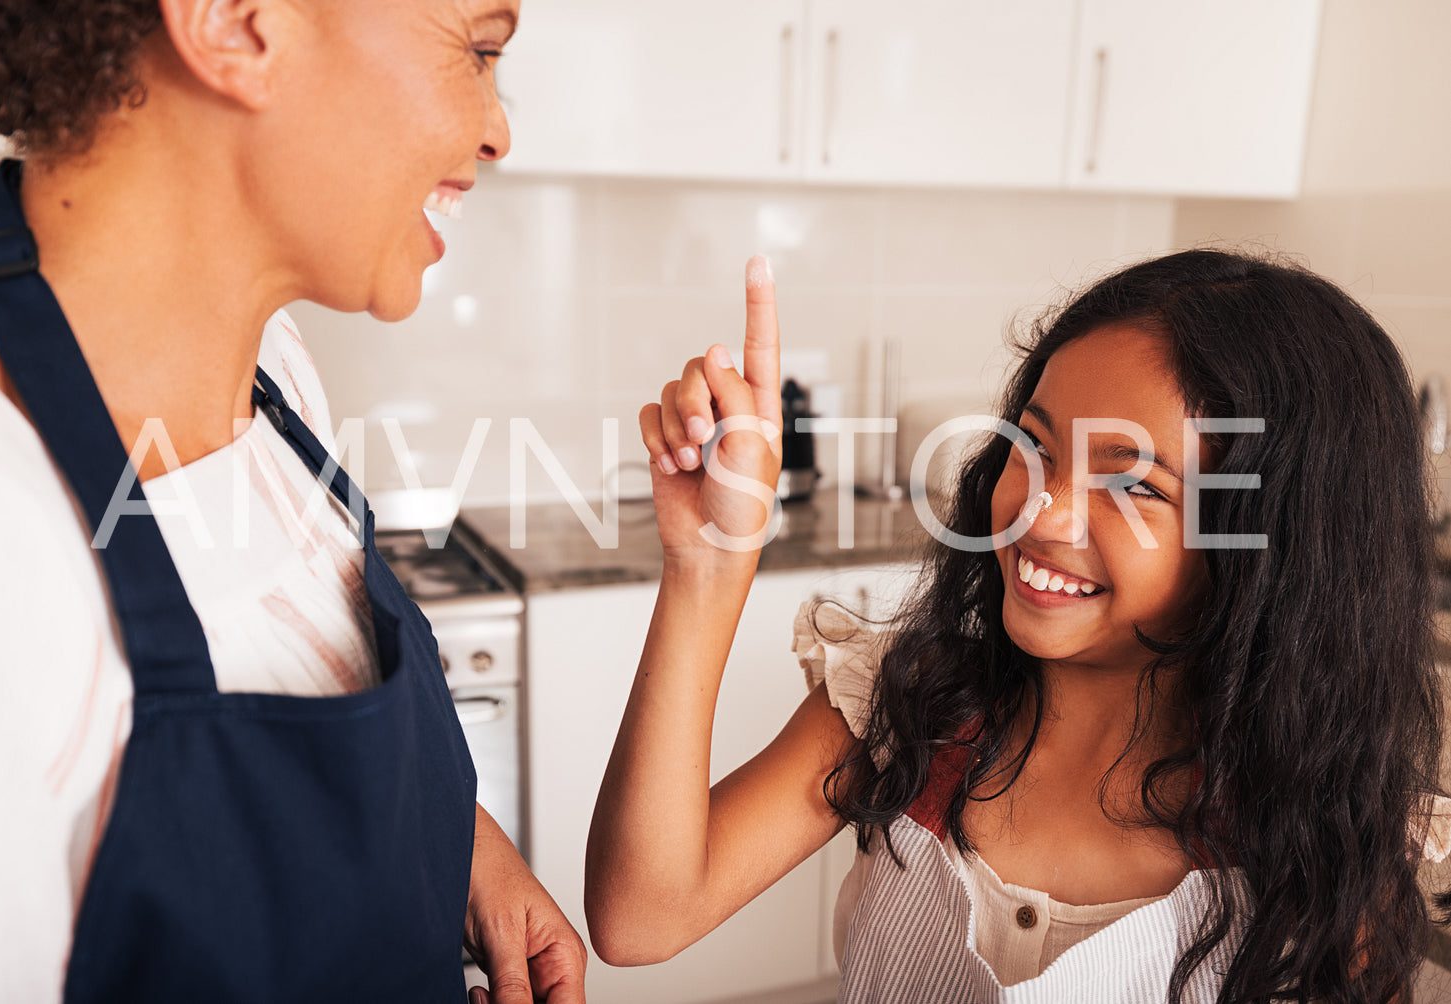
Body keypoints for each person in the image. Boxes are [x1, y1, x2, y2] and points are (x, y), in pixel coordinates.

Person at [590, 249, 1451, 1002]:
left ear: (1274, 549)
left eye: (1134, 485)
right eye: (1032, 445)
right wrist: (707, 566)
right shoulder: (910, 703)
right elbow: (640, 921)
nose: (1041, 512)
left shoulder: (1322, 850)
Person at [0, 2, 585, 1002]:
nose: (497, 128)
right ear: (234, 22)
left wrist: (468, 856)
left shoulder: (271, 373)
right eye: (479, 47)